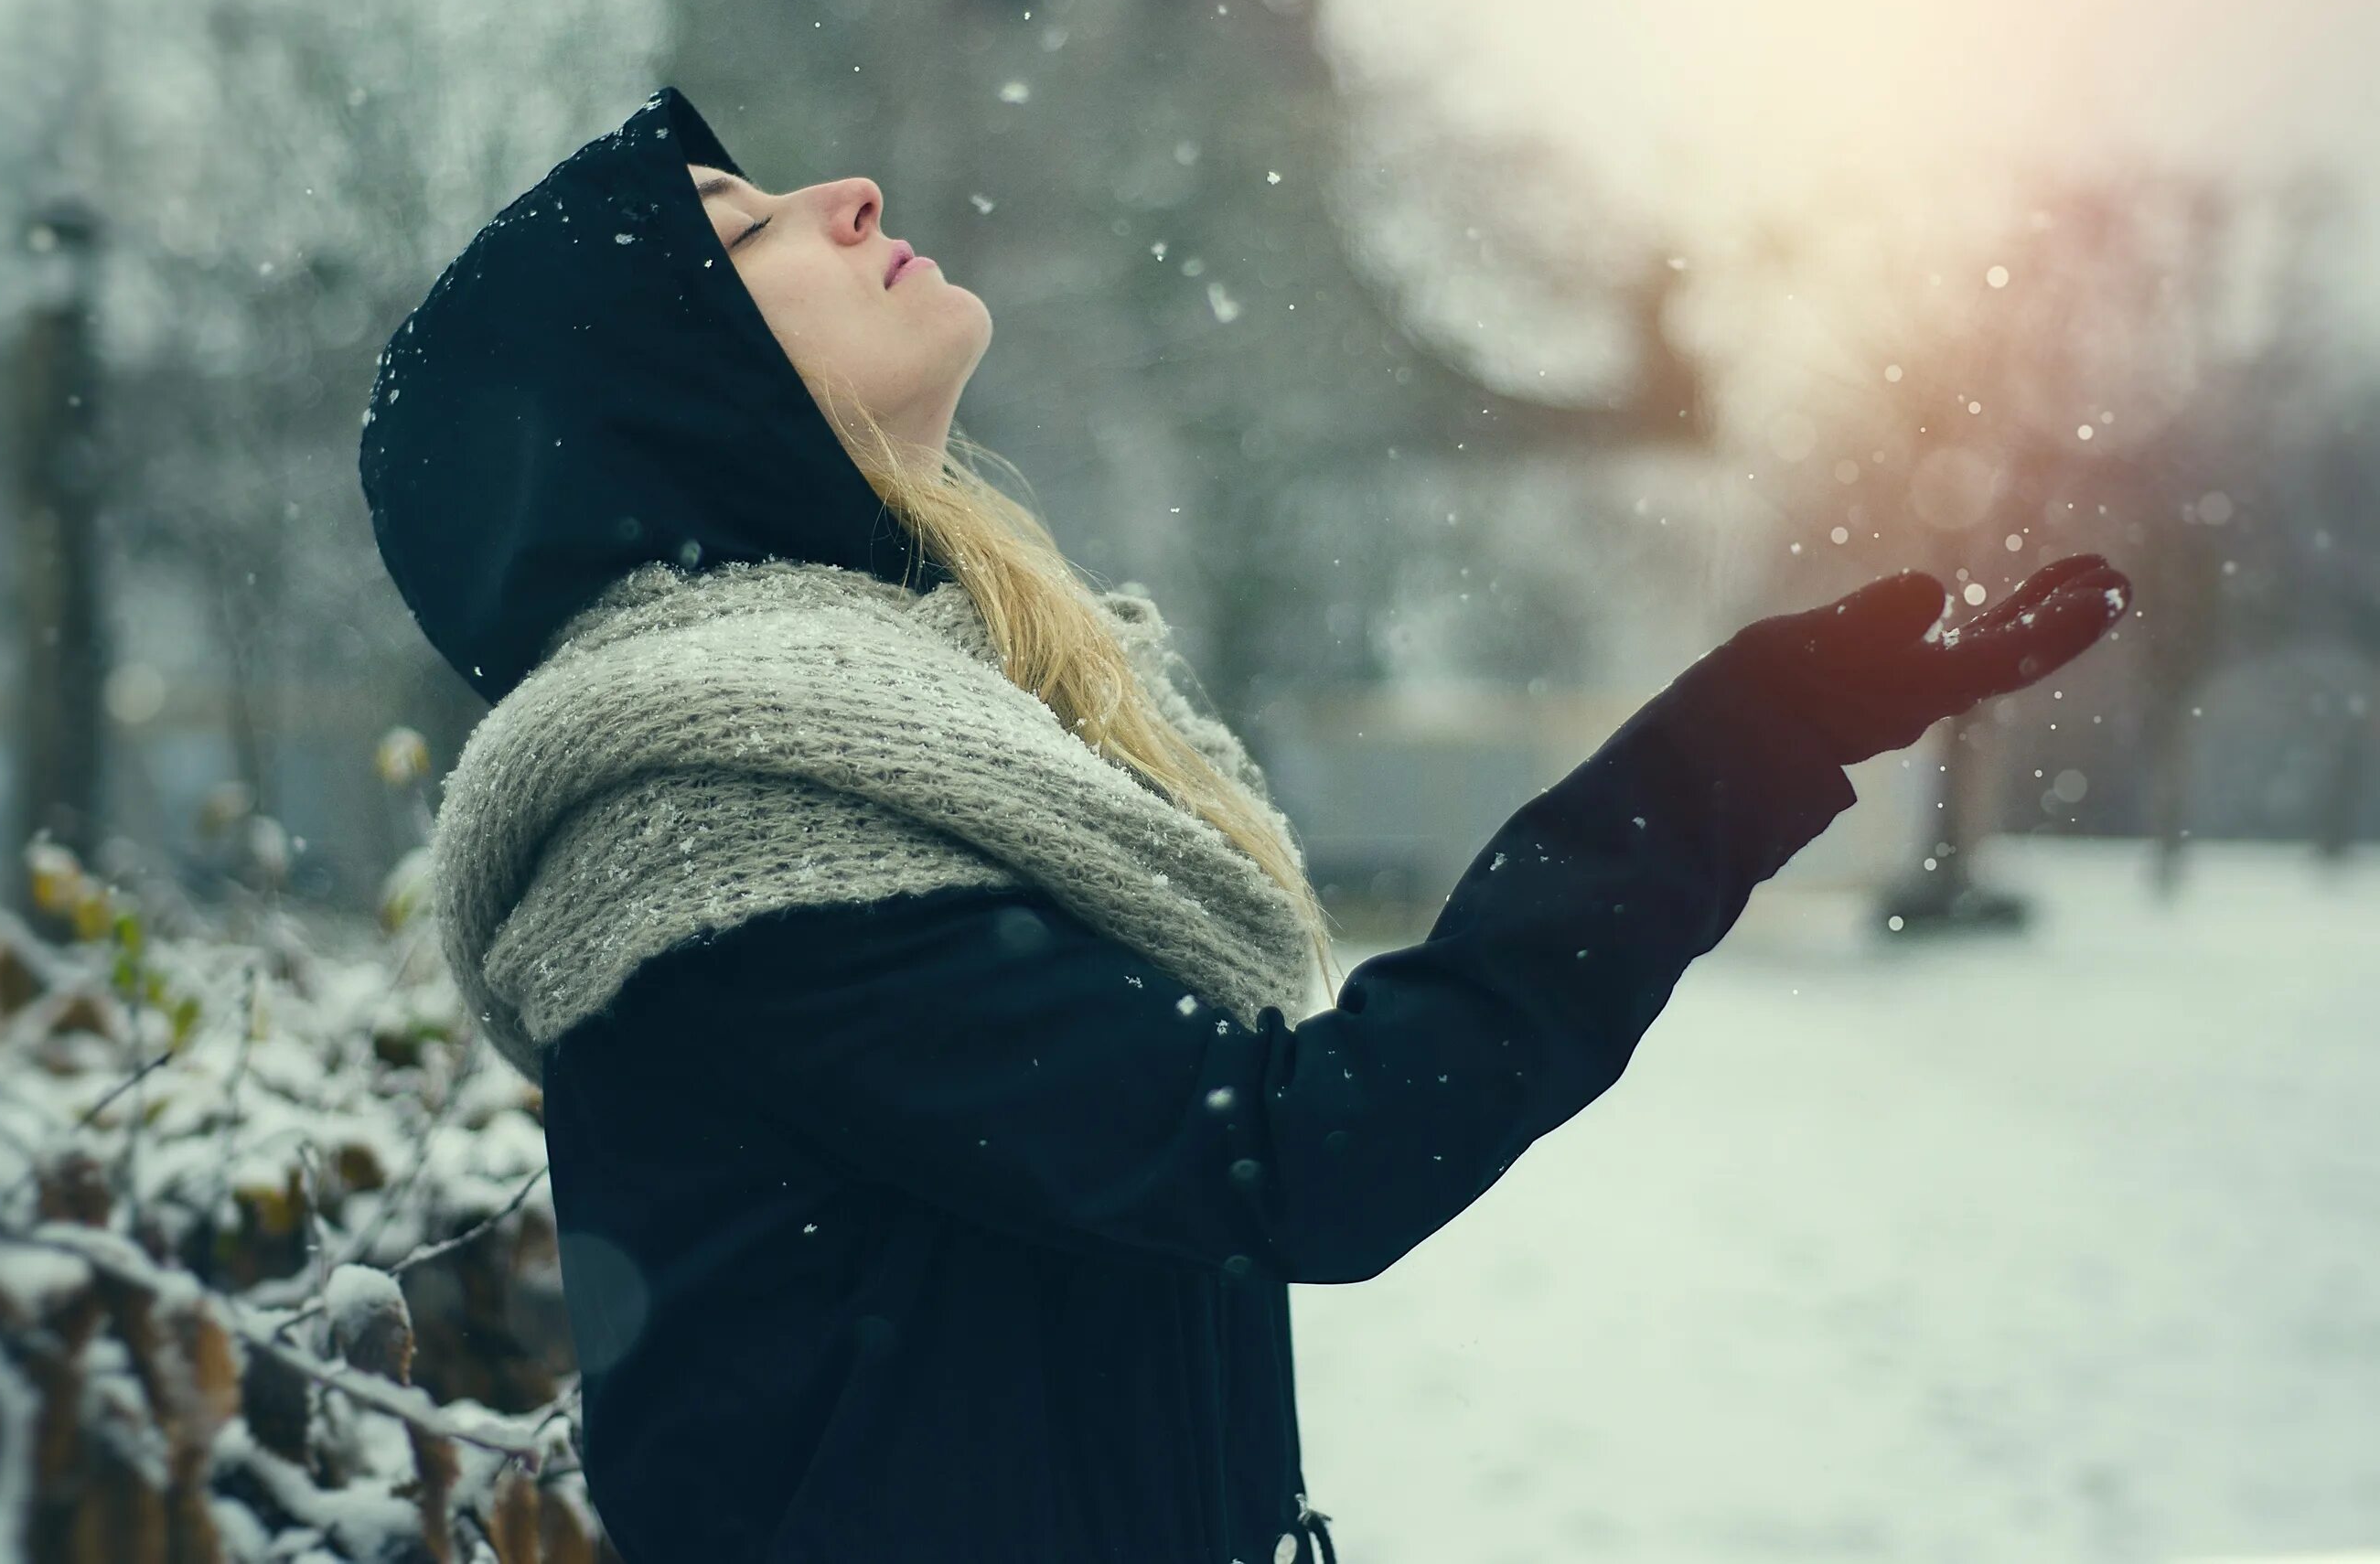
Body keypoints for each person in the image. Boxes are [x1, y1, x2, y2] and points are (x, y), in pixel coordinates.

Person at [358, 87, 2133, 1564]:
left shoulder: (922, 748)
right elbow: (1301, 1151)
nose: (847, 193)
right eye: (745, 234)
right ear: (667, 405)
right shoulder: (714, 837)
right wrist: (1732, 746)